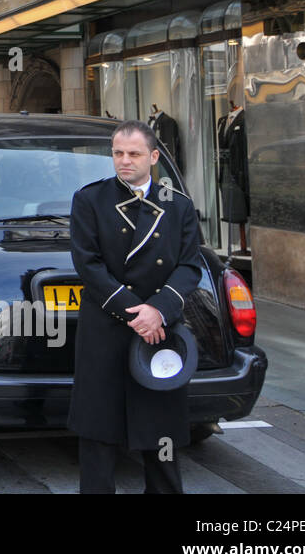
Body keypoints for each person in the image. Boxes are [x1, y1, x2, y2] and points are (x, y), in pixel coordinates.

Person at [67, 119, 205, 494]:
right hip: (107, 329)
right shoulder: (90, 199)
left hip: (158, 331)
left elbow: (190, 265)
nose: (124, 161)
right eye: (117, 153)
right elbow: (88, 265)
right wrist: (135, 312)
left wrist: (158, 310)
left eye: (134, 154)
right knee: (99, 430)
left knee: (160, 431)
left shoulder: (177, 205)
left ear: (154, 156)